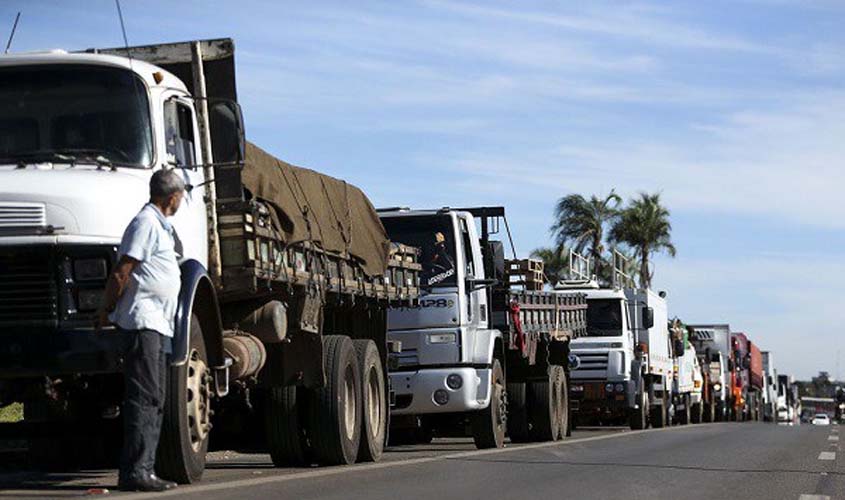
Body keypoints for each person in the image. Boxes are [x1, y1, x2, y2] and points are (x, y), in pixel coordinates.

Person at [96, 169, 186, 492]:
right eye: (181, 195)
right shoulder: (146, 223)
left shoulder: (160, 226)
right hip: (142, 322)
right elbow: (122, 272)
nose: (182, 200)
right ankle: (136, 471)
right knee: (145, 397)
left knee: (156, 397)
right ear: (171, 197)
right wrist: (106, 309)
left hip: (157, 325)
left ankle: (145, 466)